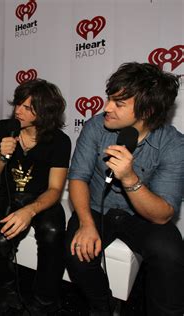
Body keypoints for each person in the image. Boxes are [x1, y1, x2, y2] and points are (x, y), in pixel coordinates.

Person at [65, 62, 184, 316]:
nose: (107, 108)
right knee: (77, 253)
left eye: (119, 104)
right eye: (109, 99)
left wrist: (129, 178)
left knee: (170, 253)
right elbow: (78, 177)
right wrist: (86, 223)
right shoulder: (96, 126)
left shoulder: (173, 144)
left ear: (148, 110)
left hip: (143, 216)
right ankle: (102, 305)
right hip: (97, 208)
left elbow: (163, 214)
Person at [0, 79, 71, 315]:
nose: (18, 111)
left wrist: (29, 210)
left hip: (42, 198)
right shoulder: (4, 128)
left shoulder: (60, 141)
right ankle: (7, 289)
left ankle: (44, 300)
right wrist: (2, 157)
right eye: (18, 104)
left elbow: (55, 189)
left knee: (53, 232)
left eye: (27, 107)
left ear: (44, 112)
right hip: (9, 195)